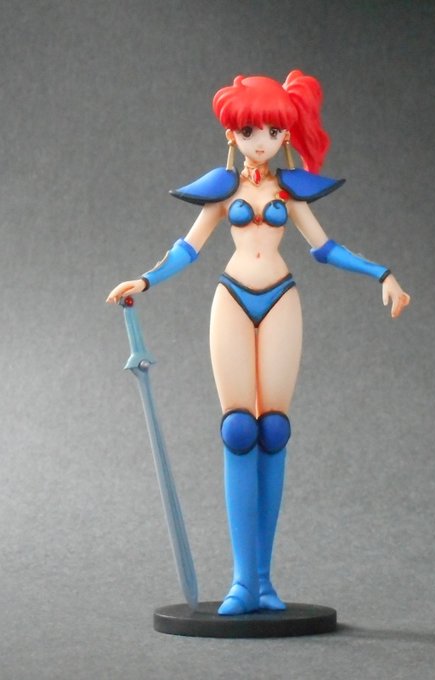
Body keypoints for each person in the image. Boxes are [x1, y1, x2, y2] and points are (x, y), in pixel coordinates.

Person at [107, 70, 411, 616]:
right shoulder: (225, 192)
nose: (261, 140)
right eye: (250, 130)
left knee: (272, 430)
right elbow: (188, 247)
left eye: (272, 130)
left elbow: (326, 247)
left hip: (280, 300)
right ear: (233, 134)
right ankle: (242, 582)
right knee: (238, 430)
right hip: (232, 298)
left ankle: (264, 583)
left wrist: (381, 273)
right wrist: (146, 281)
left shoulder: (288, 192)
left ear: (286, 134)